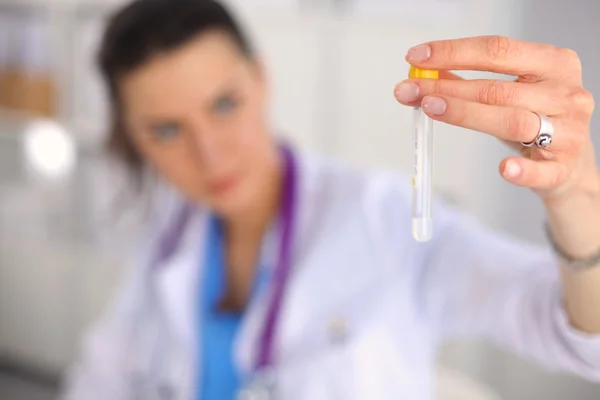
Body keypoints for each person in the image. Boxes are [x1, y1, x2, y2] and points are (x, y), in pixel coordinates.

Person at [60, 0, 600, 399]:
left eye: (224, 104)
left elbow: (578, 340)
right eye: (167, 130)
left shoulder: (385, 219)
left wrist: (577, 195)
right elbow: (95, 382)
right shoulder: (167, 236)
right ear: (134, 138)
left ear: (261, 79)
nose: (210, 153)